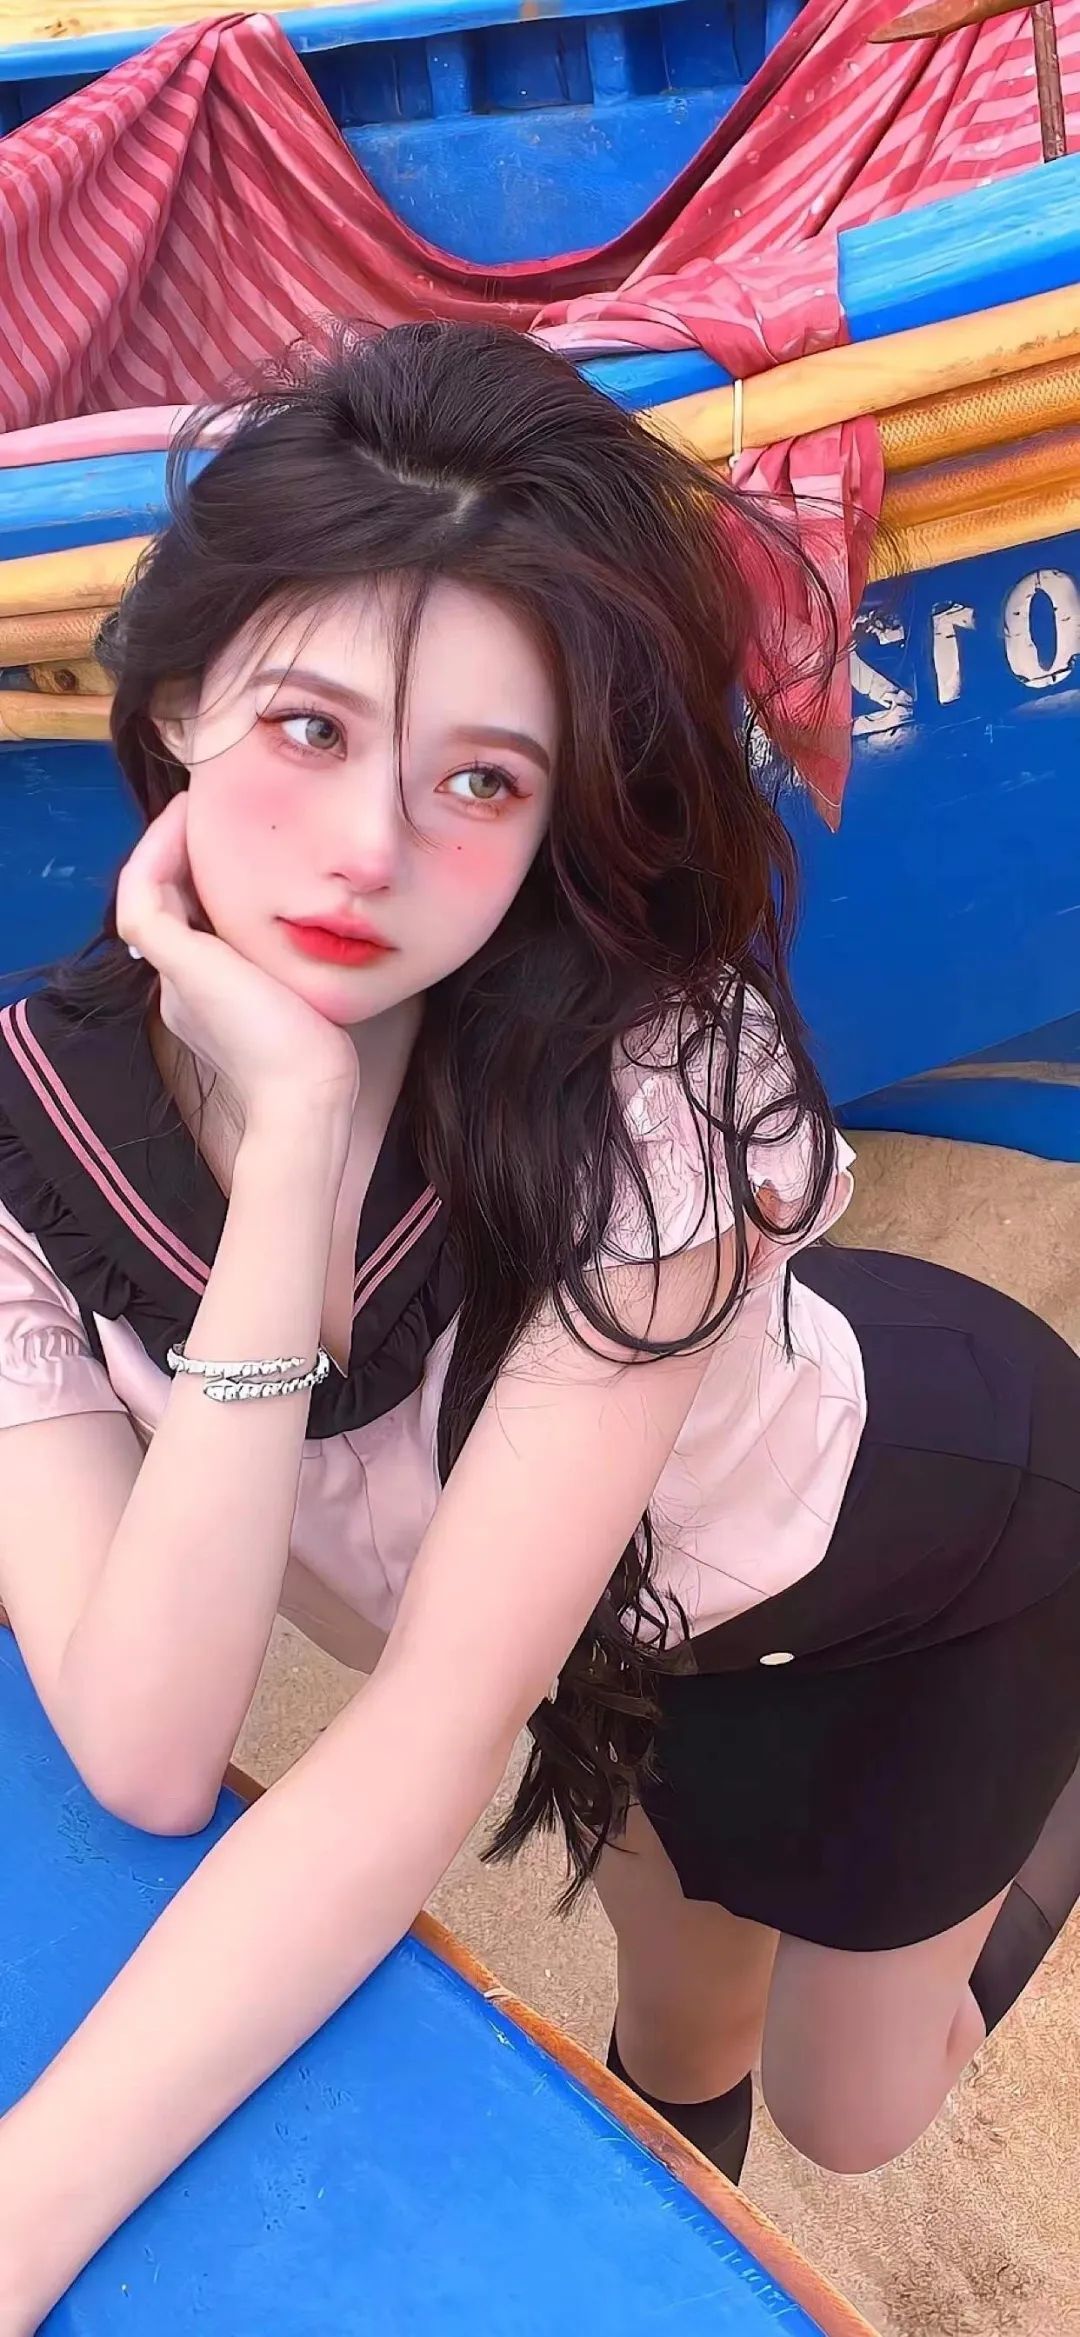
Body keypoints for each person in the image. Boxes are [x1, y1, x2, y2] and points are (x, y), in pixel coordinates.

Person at [0, 320, 1078, 2330]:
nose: (369, 849)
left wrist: (25, 2204)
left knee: (856, 2111)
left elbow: (420, 1739)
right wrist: (294, 1156)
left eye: (479, 778)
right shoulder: (35, 1138)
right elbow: (150, 1748)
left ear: (557, 802)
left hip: (926, 1565)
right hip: (614, 1640)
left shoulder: (651, 1088)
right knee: (677, 2034)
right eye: (309, 727)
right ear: (175, 700)